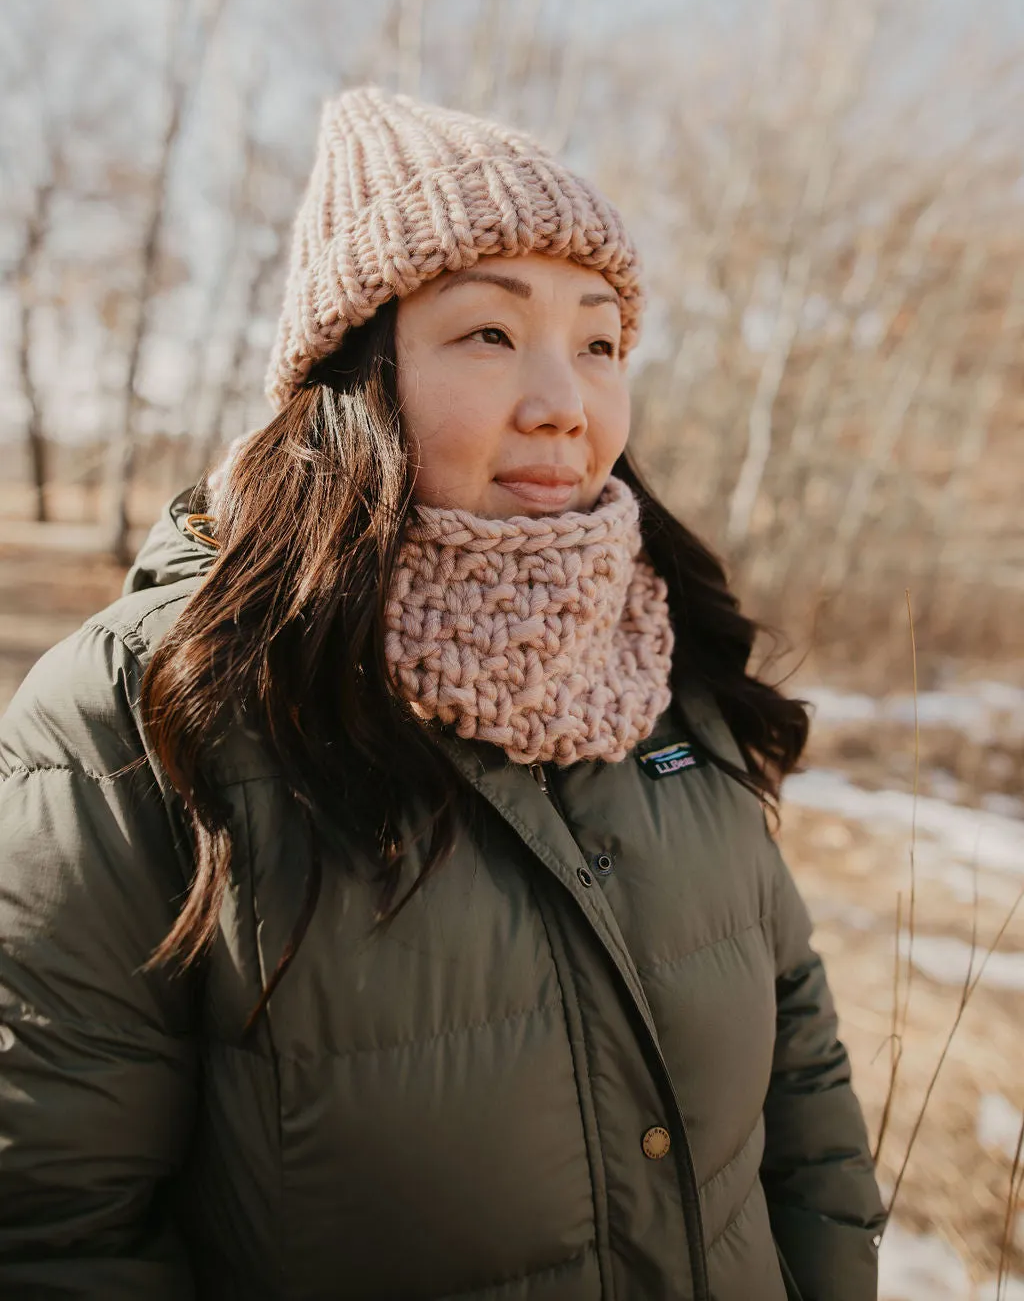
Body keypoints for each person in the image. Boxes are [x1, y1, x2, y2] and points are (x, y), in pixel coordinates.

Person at [0, 86, 884, 1300]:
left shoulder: (668, 668)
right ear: (355, 372)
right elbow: (57, 1232)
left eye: (600, 341)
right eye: (487, 334)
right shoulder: (142, 715)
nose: (565, 403)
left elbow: (803, 1075)